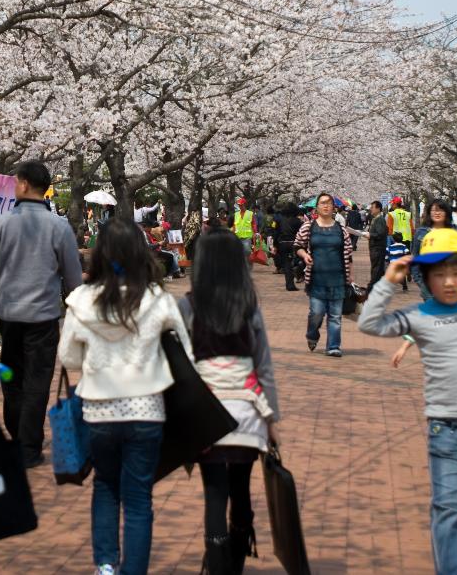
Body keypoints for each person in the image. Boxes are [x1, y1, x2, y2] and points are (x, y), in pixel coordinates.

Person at [359, 228, 457, 575]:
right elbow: (369, 324)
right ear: (426, 278)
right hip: (448, 428)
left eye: (456, 273)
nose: (449, 282)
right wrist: (388, 280)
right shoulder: (418, 314)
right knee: (449, 509)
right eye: (439, 275)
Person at [58, 219, 191, 575]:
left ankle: (105, 566)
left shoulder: (82, 301)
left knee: (105, 486)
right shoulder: (157, 299)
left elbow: (68, 358)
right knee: (138, 499)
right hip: (147, 409)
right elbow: (187, 357)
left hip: (99, 410)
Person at [175, 228, 280, 574]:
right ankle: (235, 560)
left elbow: (182, 365)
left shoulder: (188, 305)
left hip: (209, 416)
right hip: (248, 413)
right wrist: (272, 421)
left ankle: (218, 566)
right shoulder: (249, 306)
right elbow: (263, 365)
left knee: (215, 494)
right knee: (241, 488)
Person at [0, 160, 83, 468]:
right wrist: (76, 310)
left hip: (8, 317)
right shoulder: (59, 227)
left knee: (12, 378)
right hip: (44, 317)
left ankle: (18, 436)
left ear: (23, 184)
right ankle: (29, 446)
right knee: (38, 380)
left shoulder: (1, 224)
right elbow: (73, 278)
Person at [294, 193, 354, 357]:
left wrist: (350, 275)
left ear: (334, 207)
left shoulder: (341, 229)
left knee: (335, 316)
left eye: (329, 203)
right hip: (316, 279)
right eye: (322, 203)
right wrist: (304, 255)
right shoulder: (309, 227)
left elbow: (348, 254)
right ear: (317, 207)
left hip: (338, 278)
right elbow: (298, 245)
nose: (326, 206)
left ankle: (333, 346)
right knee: (316, 313)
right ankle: (312, 334)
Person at [368, 201, 389, 288]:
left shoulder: (380, 219)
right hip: (375, 247)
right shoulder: (375, 219)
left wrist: (370, 235)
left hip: (378, 248)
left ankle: (372, 286)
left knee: (376, 268)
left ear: (378, 209)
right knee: (377, 268)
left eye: (372, 207)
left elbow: (380, 233)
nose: (371, 209)